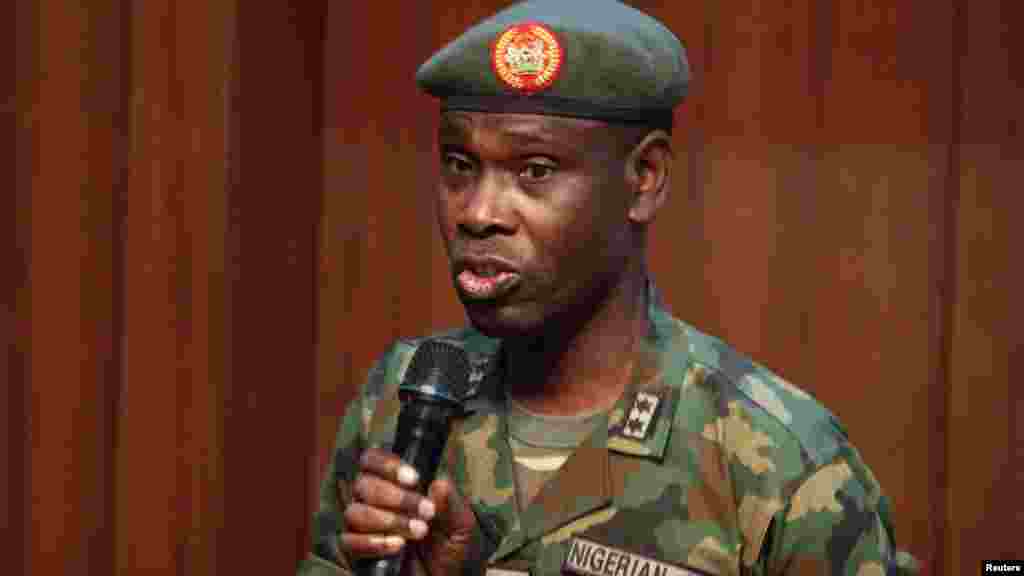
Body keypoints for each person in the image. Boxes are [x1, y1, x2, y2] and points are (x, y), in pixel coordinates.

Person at [298, 1, 920, 574]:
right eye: (460, 165)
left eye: (534, 170)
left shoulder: (779, 463)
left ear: (644, 178)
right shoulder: (404, 399)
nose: (478, 211)